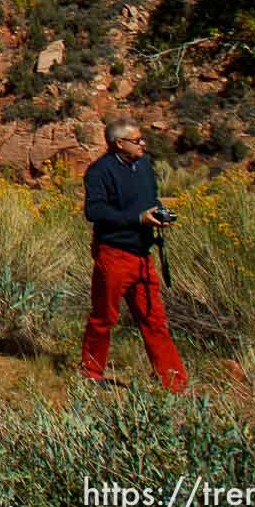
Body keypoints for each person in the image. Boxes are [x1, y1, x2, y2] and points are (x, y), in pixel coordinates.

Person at [80, 119, 187, 392]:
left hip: (142, 255)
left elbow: (150, 201)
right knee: (104, 316)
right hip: (113, 254)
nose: (143, 144)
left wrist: (158, 214)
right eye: (137, 140)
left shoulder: (144, 168)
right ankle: (92, 373)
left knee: (154, 319)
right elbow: (95, 211)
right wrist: (137, 219)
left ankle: (173, 383)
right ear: (119, 143)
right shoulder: (99, 172)